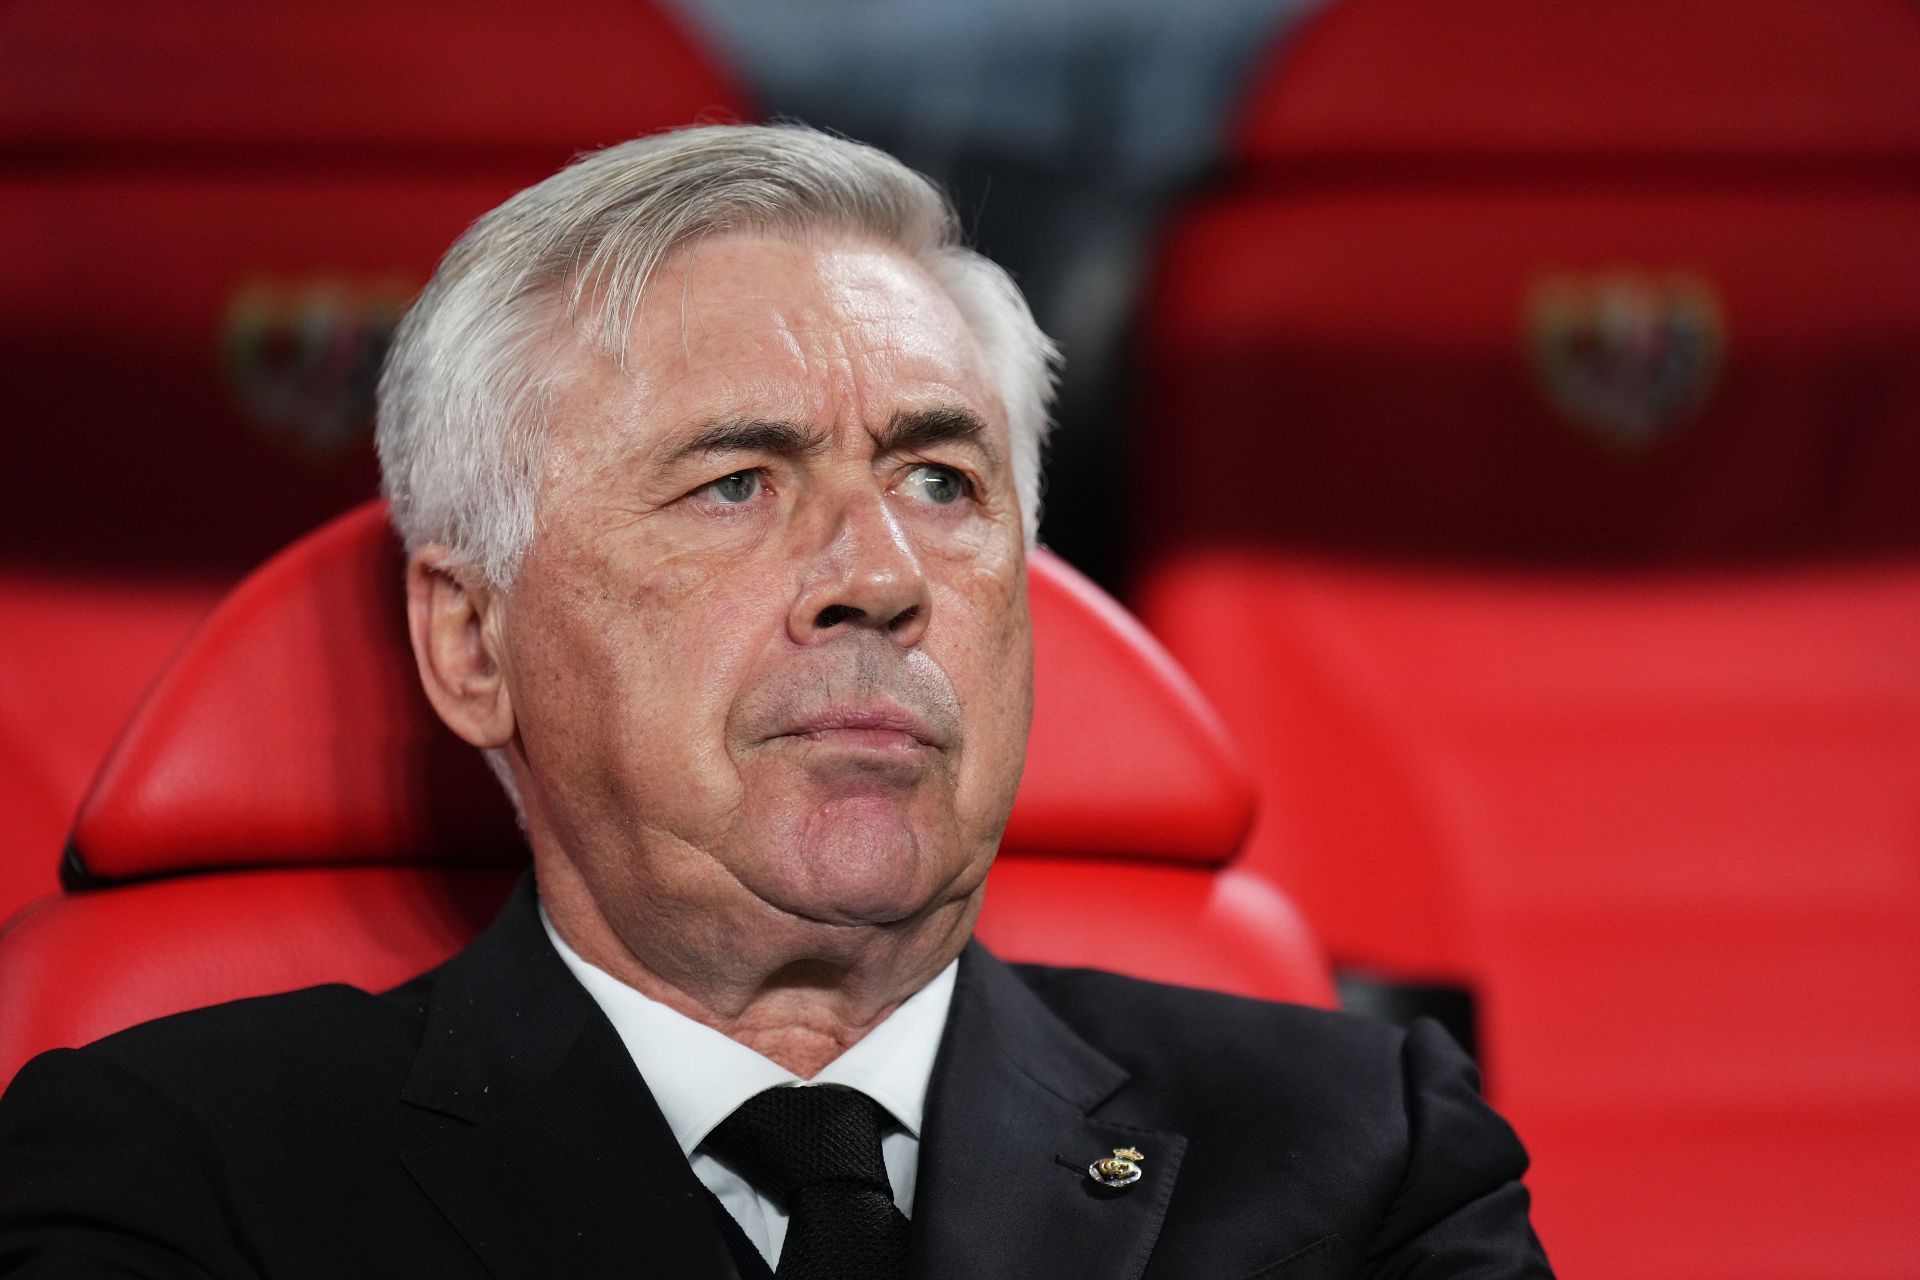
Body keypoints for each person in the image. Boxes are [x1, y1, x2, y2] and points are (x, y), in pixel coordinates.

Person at [0, 123, 1552, 1278]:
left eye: (941, 480)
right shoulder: (178, 1176)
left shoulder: (1369, 1148)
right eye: (738, 483)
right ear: (472, 644)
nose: (877, 577)